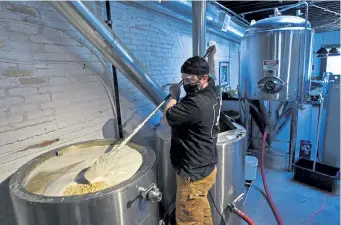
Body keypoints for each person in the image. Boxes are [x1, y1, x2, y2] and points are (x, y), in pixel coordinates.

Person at [162, 53, 221, 225]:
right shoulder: (213, 90)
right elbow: (214, 72)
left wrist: (174, 95)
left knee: (187, 219)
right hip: (207, 166)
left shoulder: (195, 104)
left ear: (203, 78)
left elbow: (166, 119)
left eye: (188, 80)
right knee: (201, 209)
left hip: (193, 174)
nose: (185, 84)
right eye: (183, 80)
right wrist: (212, 56)